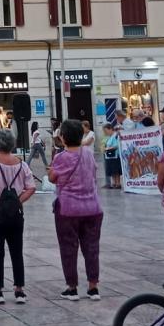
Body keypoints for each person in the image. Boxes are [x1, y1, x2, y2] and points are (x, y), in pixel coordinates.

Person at [0, 129, 35, 305]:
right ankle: (19, 290)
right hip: (16, 215)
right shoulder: (21, 164)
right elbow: (31, 187)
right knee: (17, 251)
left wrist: (0, 203)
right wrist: (17, 203)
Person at [49, 120, 103, 301]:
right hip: (93, 207)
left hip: (68, 208)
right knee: (92, 247)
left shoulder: (61, 157)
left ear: (63, 137)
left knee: (68, 247)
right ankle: (93, 286)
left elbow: (53, 178)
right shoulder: (88, 154)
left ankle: (72, 287)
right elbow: (93, 174)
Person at [102, 123, 122, 189]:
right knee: (112, 171)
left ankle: (118, 183)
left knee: (116, 171)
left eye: (106, 130)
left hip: (115, 156)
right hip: (110, 156)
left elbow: (116, 145)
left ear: (110, 129)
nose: (105, 132)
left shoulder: (115, 135)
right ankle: (114, 183)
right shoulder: (109, 137)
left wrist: (107, 148)